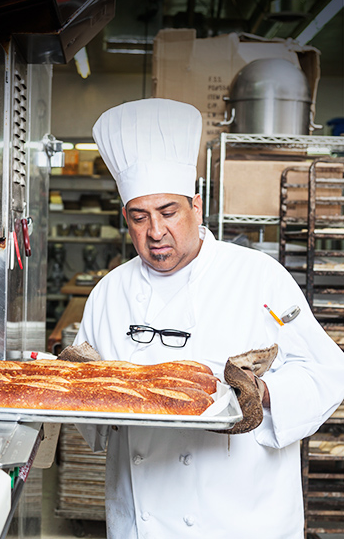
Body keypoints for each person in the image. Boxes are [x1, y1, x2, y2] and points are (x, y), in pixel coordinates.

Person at [73, 98, 344, 538]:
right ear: (125, 218)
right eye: (139, 218)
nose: (155, 232)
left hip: (241, 519)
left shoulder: (258, 277)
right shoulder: (110, 293)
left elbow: (327, 373)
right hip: (142, 522)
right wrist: (85, 387)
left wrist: (262, 391)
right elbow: (97, 422)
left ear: (195, 206)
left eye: (168, 213)